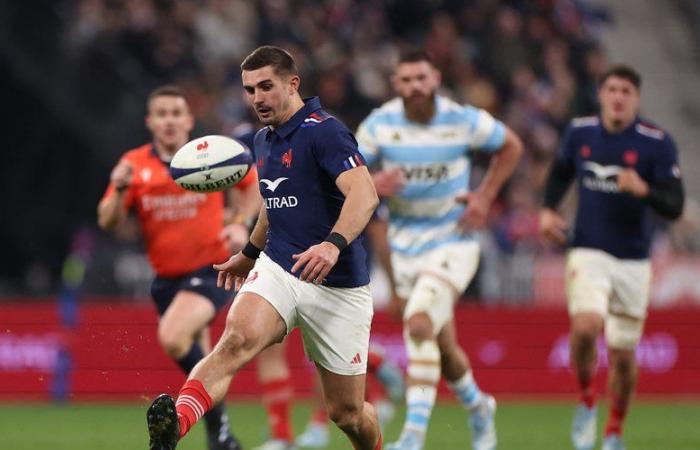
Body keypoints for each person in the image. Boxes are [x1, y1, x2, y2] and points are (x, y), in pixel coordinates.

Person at [146, 45, 383, 450]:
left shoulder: (325, 131)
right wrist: (251, 254)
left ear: (293, 84)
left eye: (266, 86)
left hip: (337, 284)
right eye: (249, 89)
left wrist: (331, 246)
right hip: (279, 269)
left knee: (348, 414)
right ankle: (176, 427)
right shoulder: (263, 140)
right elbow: (273, 205)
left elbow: (365, 194)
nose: (257, 97)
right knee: (235, 340)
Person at [356, 49, 523, 450]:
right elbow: (347, 173)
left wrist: (485, 196)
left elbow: (511, 146)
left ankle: (413, 436)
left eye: (422, 78)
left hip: (455, 240)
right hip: (404, 247)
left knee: (417, 324)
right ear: (396, 85)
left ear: (435, 79)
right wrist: (373, 184)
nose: (416, 87)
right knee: (443, 348)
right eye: (407, 80)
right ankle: (480, 407)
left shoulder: (462, 119)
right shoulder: (380, 124)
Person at [98, 85, 259, 450]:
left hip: (213, 267)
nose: (169, 121)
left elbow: (251, 188)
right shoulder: (133, 165)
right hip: (166, 281)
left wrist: (239, 222)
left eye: (176, 113)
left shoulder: (210, 155)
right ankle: (221, 437)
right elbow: (107, 221)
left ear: (189, 119)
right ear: (150, 122)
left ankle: (205, 432)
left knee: (173, 337)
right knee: (200, 363)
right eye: (162, 114)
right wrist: (121, 190)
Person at [539, 64, 684, 450]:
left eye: (626, 91)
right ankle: (587, 398)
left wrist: (644, 191)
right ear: (601, 94)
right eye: (612, 89)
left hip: (634, 260)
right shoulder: (580, 132)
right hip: (588, 250)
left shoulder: (657, 142)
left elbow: (674, 205)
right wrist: (548, 209)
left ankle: (615, 429)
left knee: (622, 356)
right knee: (586, 327)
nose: (618, 97)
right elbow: (559, 174)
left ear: (636, 99)